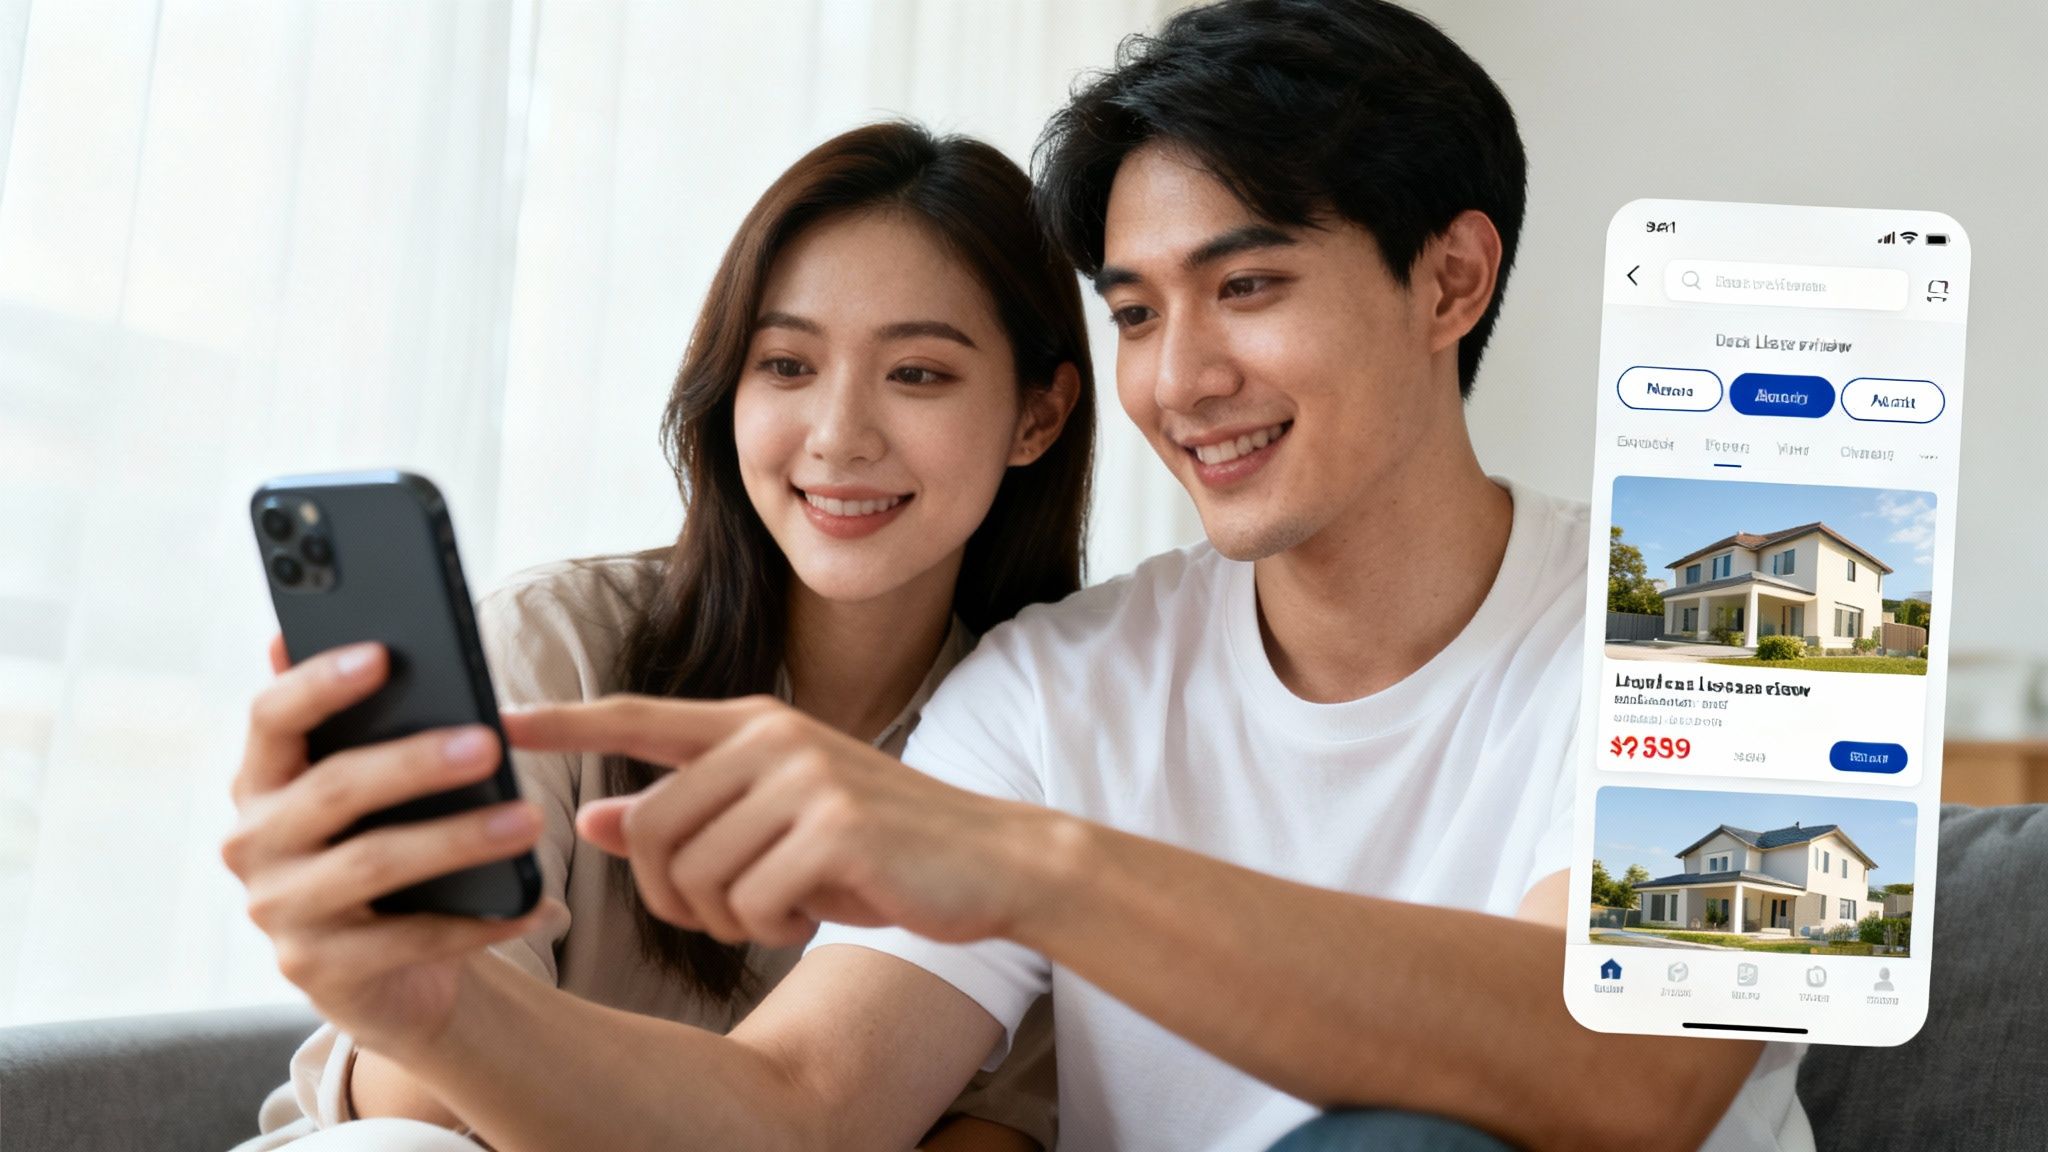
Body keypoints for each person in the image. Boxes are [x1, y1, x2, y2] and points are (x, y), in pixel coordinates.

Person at [228, 2, 1816, 1149]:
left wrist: (1036, 869)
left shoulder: (1754, 622)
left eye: (1246, 285)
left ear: (1449, 278)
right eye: (1132, 314)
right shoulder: (1053, 683)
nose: (1183, 379)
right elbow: (798, 1113)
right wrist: (437, 1016)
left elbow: (1625, 1082)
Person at [225, 120, 1092, 1151]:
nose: (839, 435)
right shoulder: (559, 649)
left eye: (917, 374)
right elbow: (423, 1097)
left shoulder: (1048, 740)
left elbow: (995, 1132)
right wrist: (414, 990)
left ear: (1035, 418)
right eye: (784, 364)